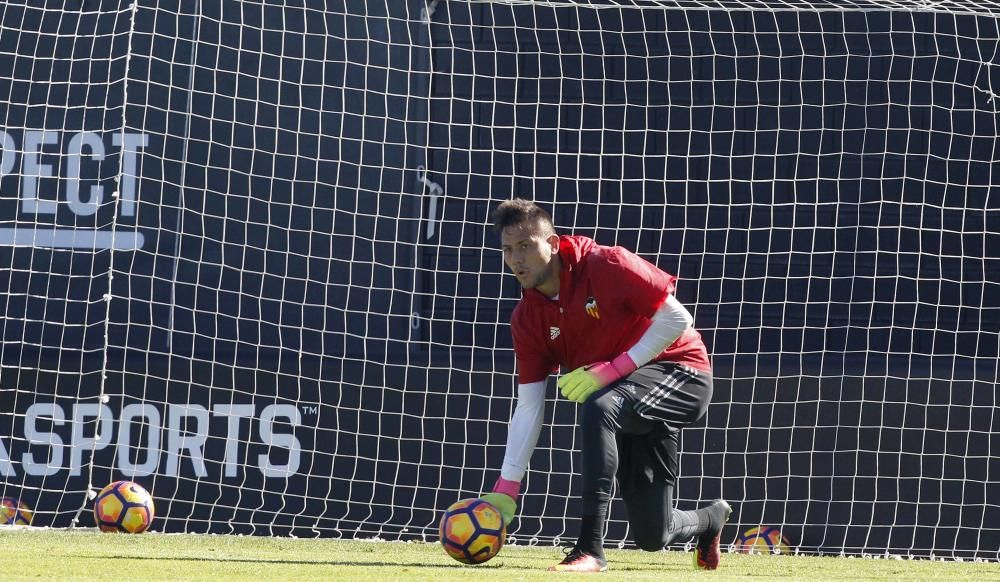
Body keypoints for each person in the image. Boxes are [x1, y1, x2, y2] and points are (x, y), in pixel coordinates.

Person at [479, 198, 732, 573]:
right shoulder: (527, 318)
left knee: (599, 403)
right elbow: (529, 406)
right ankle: (712, 518)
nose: (516, 259)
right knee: (653, 535)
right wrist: (507, 487)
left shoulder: (605, 263)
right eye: (507, 249)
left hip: (681, 373)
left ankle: (589, 550)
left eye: (526, 246)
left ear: (551, 243)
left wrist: (611, 370)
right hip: (629, 398)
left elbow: (677, 318)